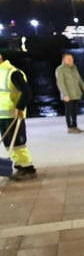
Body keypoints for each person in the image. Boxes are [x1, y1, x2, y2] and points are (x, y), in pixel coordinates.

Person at [0, 51, 38, 180]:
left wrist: (20, 107)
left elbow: (26, 92)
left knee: (18, 143)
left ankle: (28, 168)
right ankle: (19, 166)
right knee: (8, 143)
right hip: (2, 115)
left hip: (14, 114)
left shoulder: (13, 72)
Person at [55, 52, 84, 134]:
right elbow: (60, 83)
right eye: (68, 59)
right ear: (64, 60)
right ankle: (70, 127)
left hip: (76, 93)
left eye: (72, 59)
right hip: (68, 95)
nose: (71, 60)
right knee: (69, 111)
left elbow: (79, 80)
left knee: (74, 111)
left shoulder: (74, 68)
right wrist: (65, 94)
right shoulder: (60, 69)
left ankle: (75, 126)